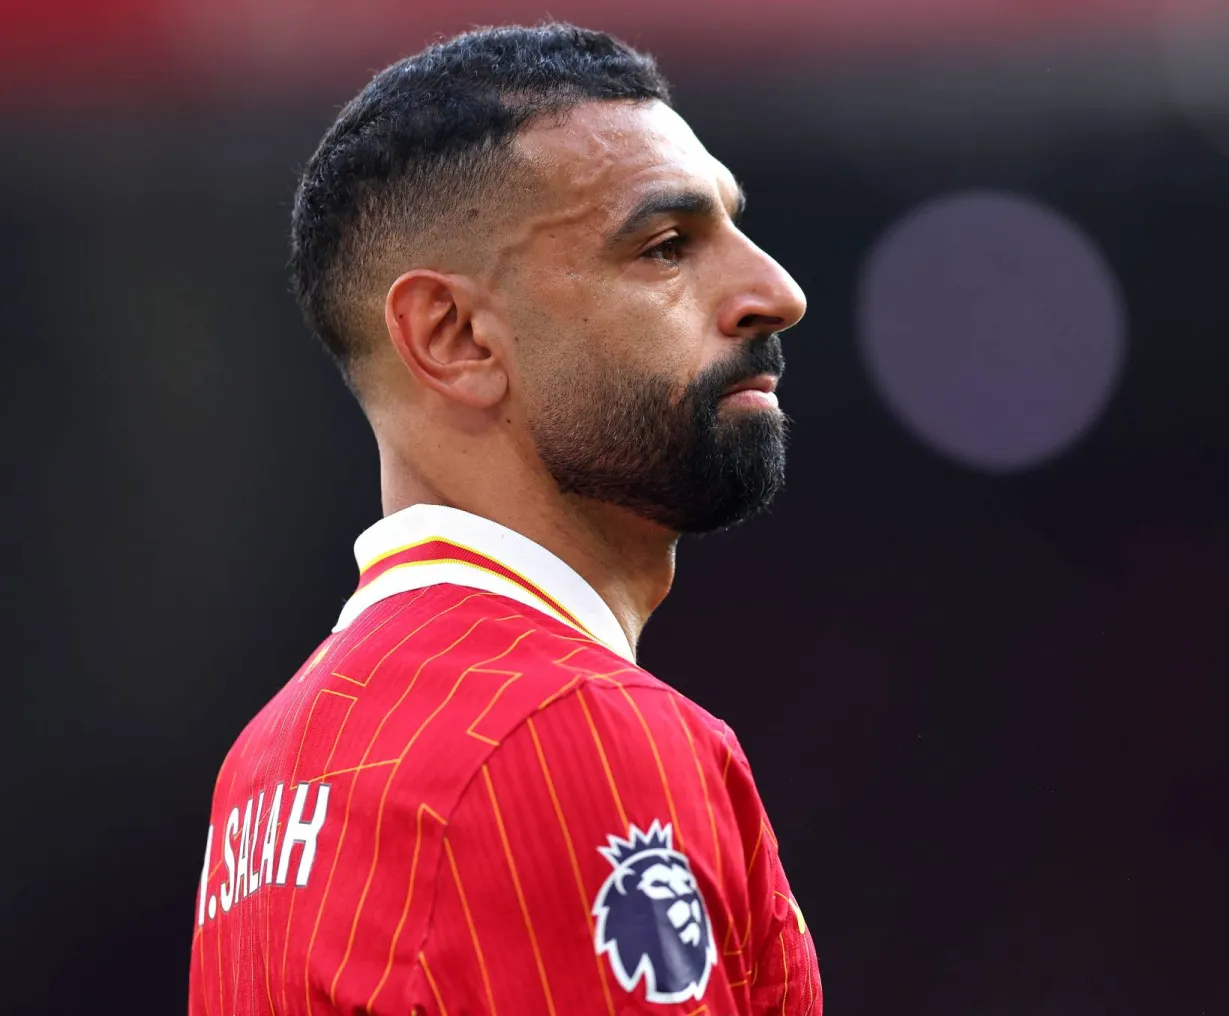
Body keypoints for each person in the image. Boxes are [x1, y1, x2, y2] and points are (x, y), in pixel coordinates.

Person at [186, 23, 817, 1016]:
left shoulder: (269, 771)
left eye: (735, 229)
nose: (775, 293)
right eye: (664, 247)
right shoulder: (569, 727)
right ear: (457, 337)